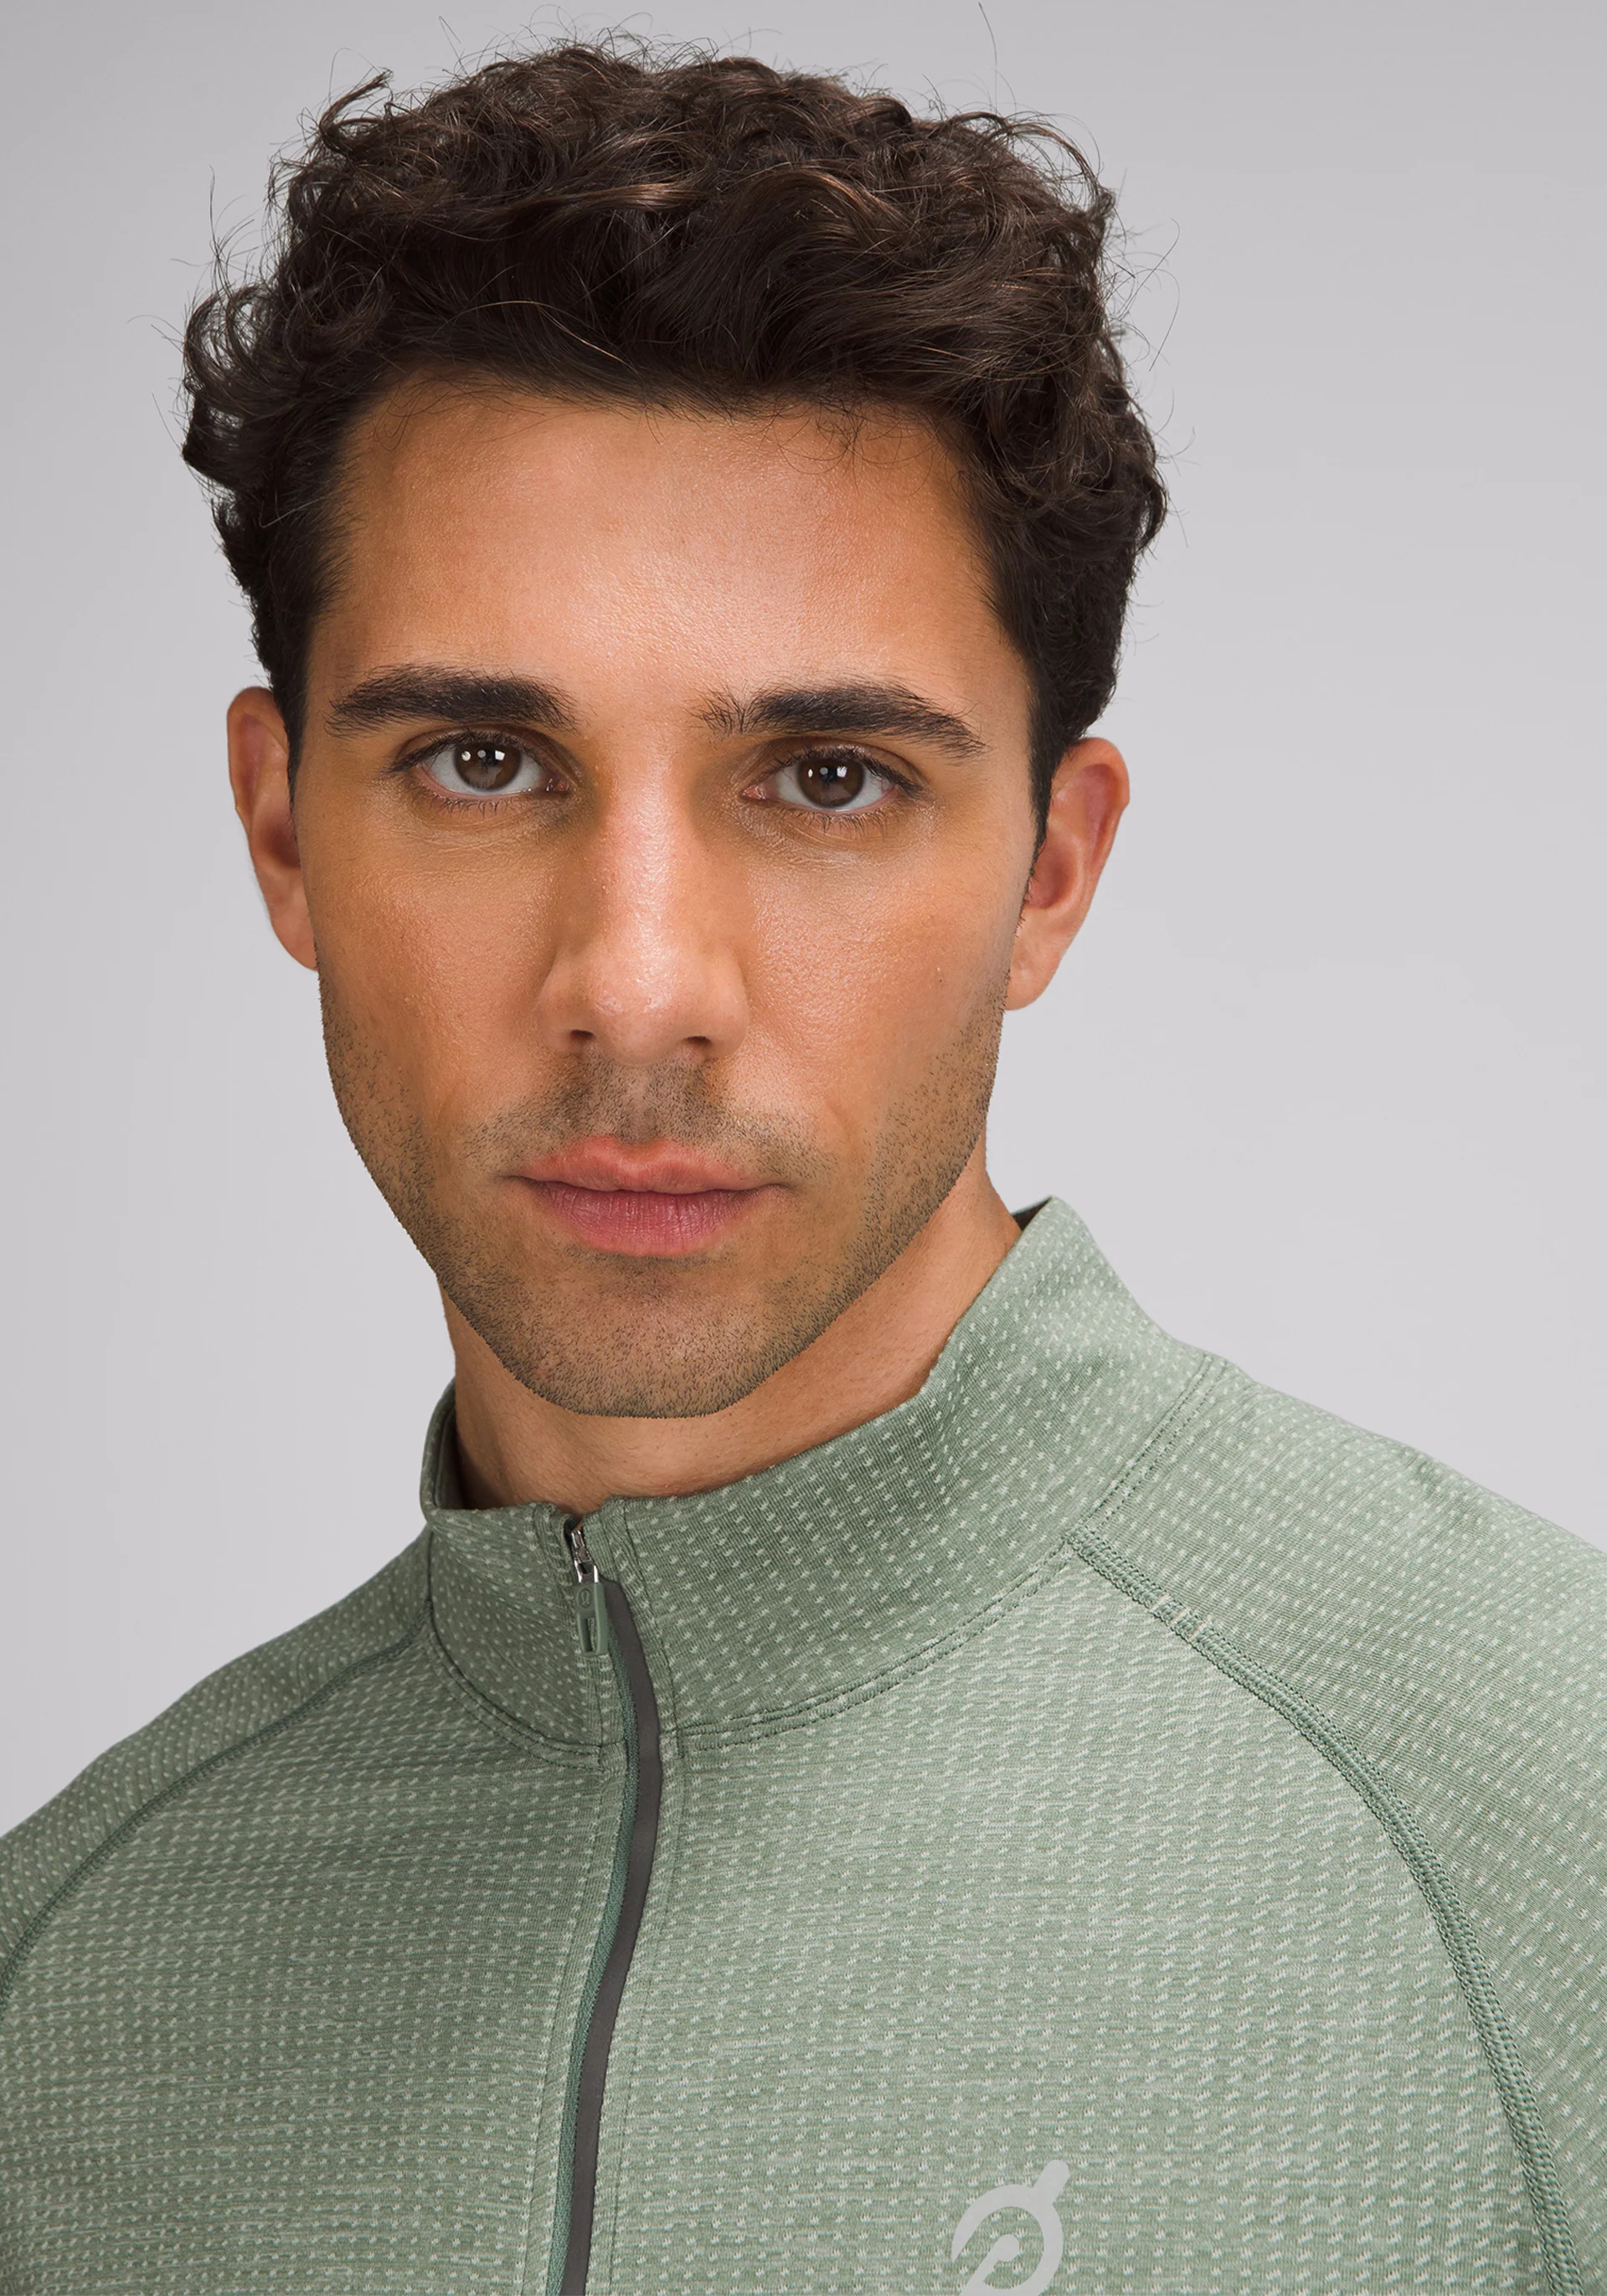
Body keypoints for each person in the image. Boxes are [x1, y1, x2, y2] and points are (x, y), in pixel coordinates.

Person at [1, 39, 1601, 2296]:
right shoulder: (67, 1986)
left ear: (1050, 869)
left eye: (828, 779)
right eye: (480, 761)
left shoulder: (1539, 1818)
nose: (639, 984)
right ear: (282, 832)